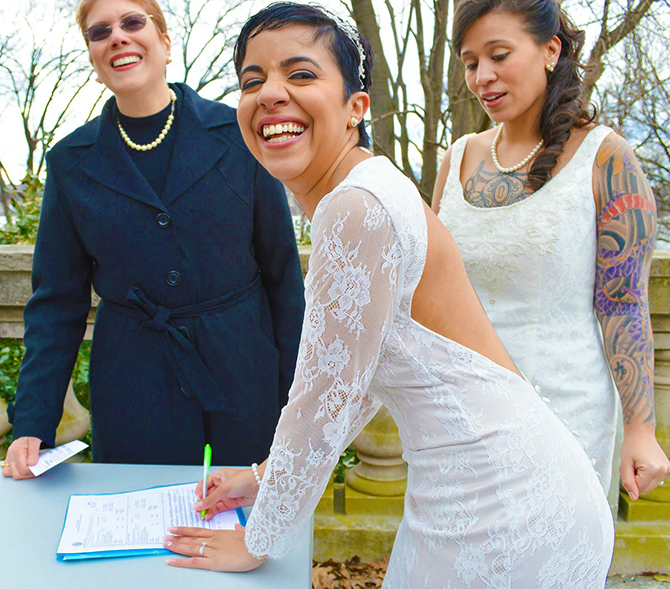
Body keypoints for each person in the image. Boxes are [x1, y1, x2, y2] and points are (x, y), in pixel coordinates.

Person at [162, 4, 615, 585]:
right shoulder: (365, 190)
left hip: (503, 512)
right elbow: (355, 381)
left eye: (301, 74)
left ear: (357, 107)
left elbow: (321, 397)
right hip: (507, 489)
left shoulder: (357, 208)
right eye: (253, 81)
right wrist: (262, 476)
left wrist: (260, 538)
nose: (271, 93)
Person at [1, 0, 305, 479]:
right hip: (133, 376)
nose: (117, 37)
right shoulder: (70, 162)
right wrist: (33, 420)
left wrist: (296, 395)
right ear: (93, 56)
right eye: (100, 32)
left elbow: (284, 278)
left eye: (132, 22)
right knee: (139, 531)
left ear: (164, 42)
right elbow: (57, 302)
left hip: (244, 366)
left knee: (255, 528)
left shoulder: (240, 134)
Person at [431, 0, 670, 502]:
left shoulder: (606, 158)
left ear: (549, 50)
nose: (483, 77)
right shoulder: (455, 161)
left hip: (563, 418)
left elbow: (623, 303)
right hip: (459, 421)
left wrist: (641, 430)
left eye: (499, 55)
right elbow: (433, 293)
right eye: (471, 63)